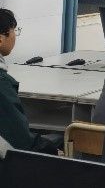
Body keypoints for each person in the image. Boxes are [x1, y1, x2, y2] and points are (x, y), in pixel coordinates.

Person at [0, 9, 62, 154]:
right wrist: (53, 151)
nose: (15, 36)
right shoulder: (2, 84)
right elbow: (22, 141)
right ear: (1, 39)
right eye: (14, 30)